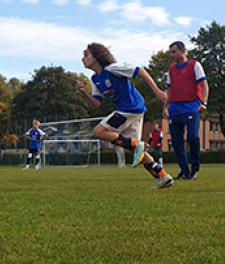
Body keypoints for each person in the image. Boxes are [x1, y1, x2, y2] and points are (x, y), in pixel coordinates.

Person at [75, 43, 175, 189]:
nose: (83, 59)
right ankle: (162, 176)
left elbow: (140, 70)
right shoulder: (95, 79)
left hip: (131, 107)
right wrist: (85, 92)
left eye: (86, 55)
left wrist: (157, 91)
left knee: (99, 132)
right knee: (134, 150)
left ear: (97, 56)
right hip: (131, 110)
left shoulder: (113, 69)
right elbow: (97, 104)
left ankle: (138, 145)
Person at [165, 41, 209, 180]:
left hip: (192, 106)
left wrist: (203, 103)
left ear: (183, 51)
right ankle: (184, 171)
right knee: (177, 142)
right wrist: (165, 108)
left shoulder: (194, 65)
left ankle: (195, 168)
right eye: (170, 52)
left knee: (192, 137)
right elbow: (169, 90)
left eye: (174, 52)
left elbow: (204, 84)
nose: (172, 55)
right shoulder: (171, 70)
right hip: (175, 108)